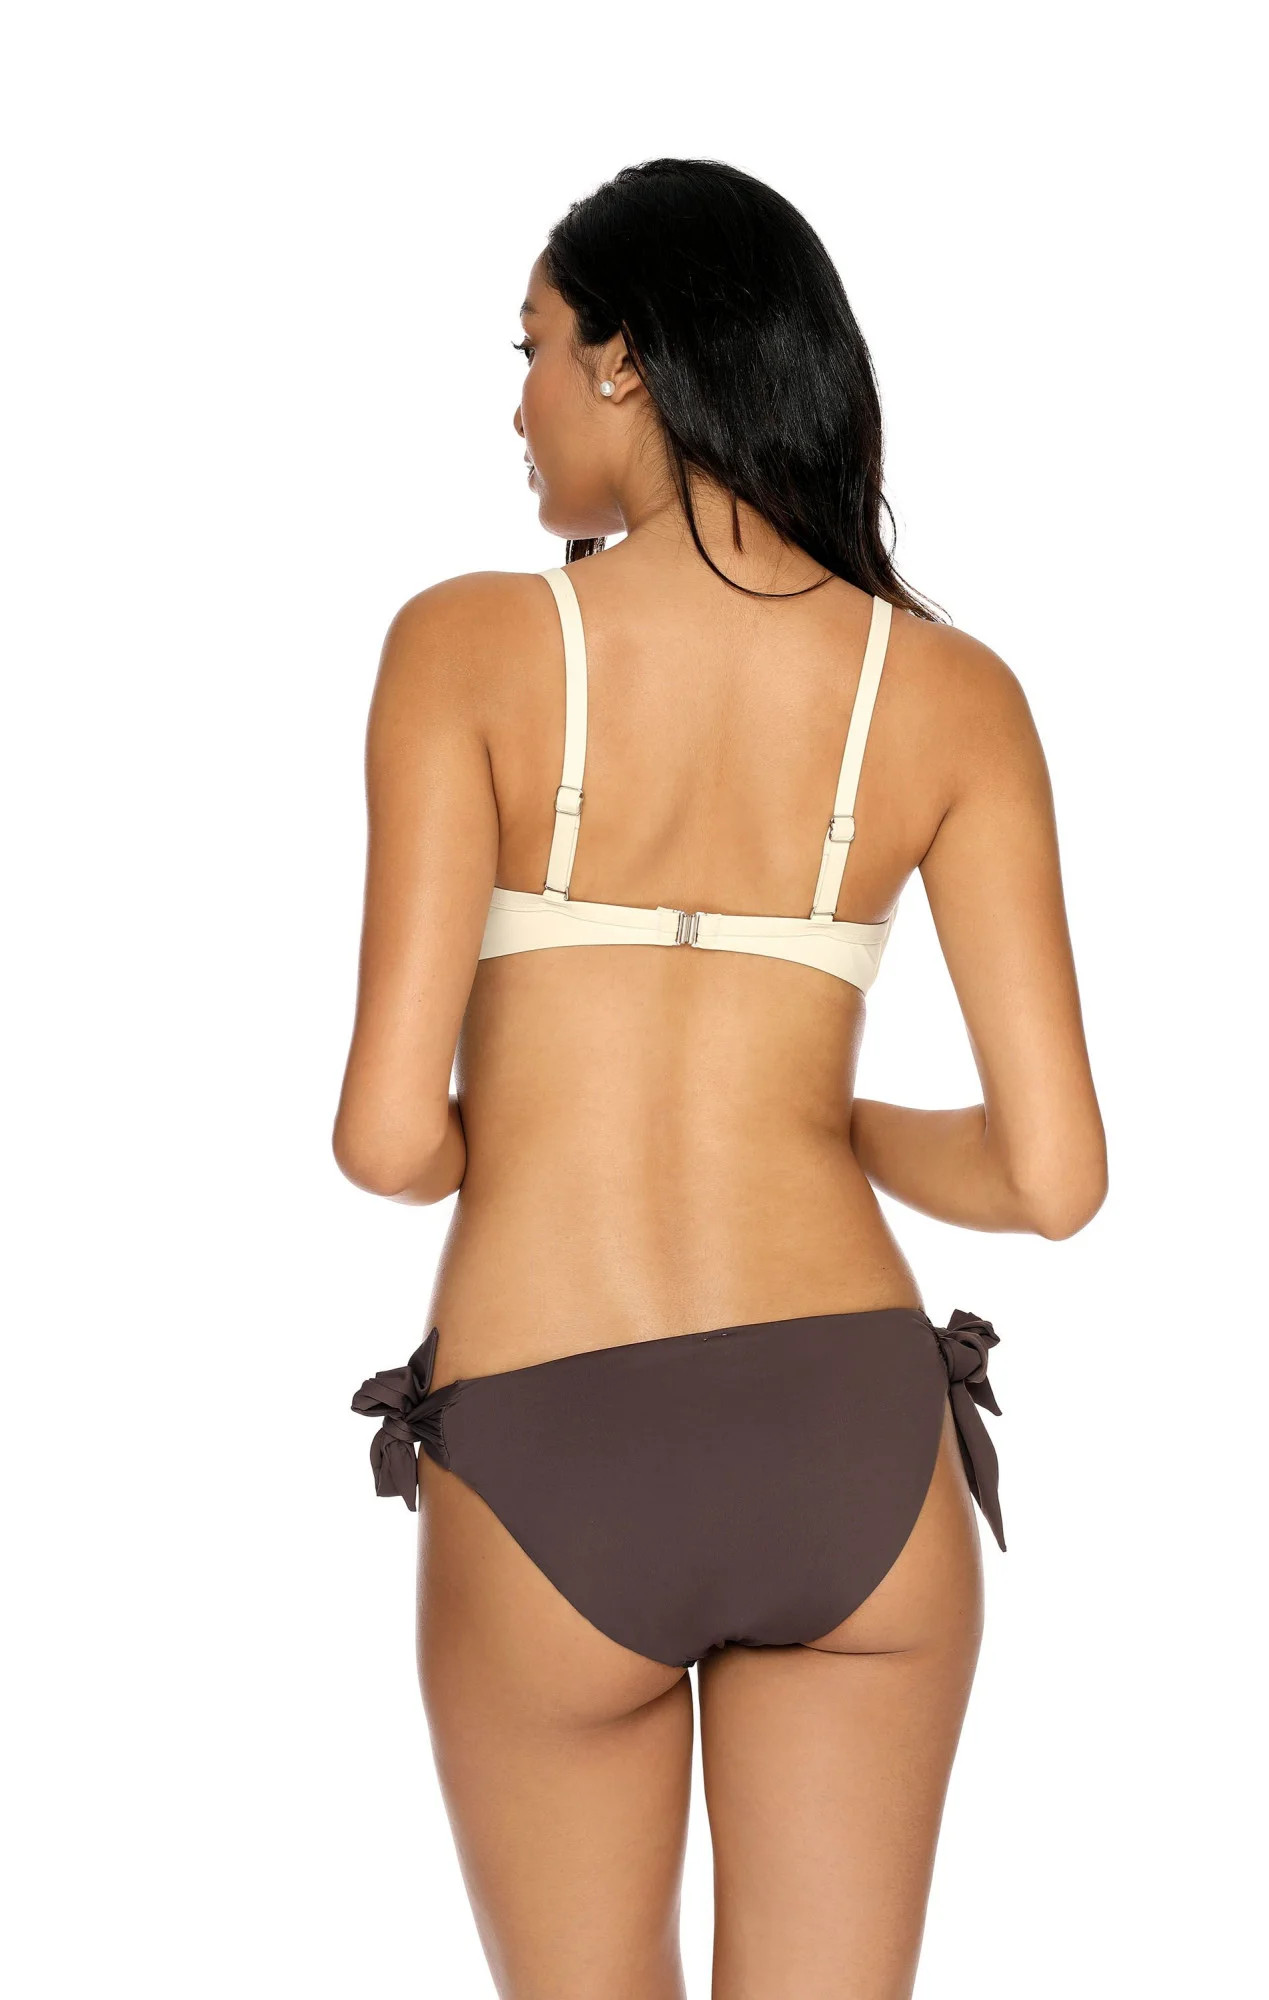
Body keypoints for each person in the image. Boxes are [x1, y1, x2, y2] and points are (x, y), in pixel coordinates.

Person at [334, 158, 1106, 2000]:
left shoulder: (469, 644)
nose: (517, 401)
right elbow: (1052, 1177)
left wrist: (502, 1137)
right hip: (849, 1435)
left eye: (530, 348)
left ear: (625, 359)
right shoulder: (950, 693)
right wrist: (825, 1127)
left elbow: (383, 1137)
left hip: (556, 1443)